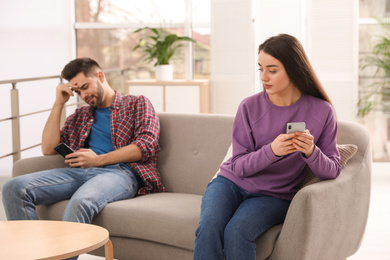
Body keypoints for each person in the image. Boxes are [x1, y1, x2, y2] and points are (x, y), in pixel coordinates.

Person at [193, 34, 341, 260]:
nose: (264, 77)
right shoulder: (249, 107)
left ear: (293, 68)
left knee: (237, 232)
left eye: (272, 70)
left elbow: (332, 171)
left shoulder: (322, 111)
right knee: (209, 229)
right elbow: (239, 167)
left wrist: (311, 152)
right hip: (229, 183)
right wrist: (272, 151)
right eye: (260, 69)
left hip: (275, 195)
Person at [2, 57, 165, 225]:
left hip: (121, 173)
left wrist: (97, 159)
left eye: (85, 87)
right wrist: (58, 104)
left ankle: (64, 253)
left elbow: (146, 145)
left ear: (101, 77)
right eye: (79, 92)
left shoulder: (136, 103)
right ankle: (35, 252)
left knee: (80, 202)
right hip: (80, 172)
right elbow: (49, 149)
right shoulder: (80, 115)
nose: (83, 95)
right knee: (13, 188)